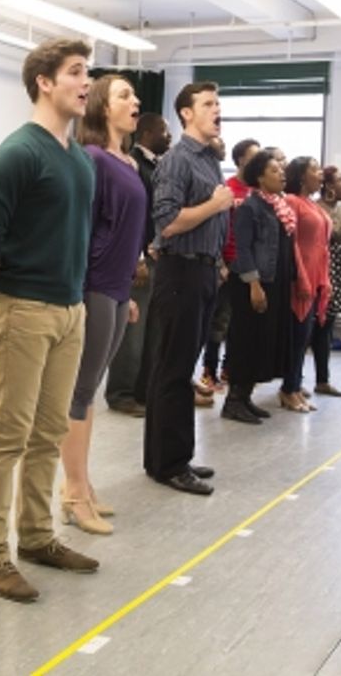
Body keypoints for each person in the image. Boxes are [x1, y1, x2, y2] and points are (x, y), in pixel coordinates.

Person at [0, 39, 98, 603]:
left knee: (48, 433)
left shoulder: (77, 158)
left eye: (87, 73)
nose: (85, 82)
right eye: (75, 72)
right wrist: (4, 299)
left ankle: (38, 535)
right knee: (9, 436)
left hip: (71, 311)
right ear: (44, 82)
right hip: (24, 308)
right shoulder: (19, 152)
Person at [60, 74, 147, 536]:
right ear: (101, 106)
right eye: (124, 96)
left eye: (133, 95)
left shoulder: (127, 161)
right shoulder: (92, 158)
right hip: (93, 286)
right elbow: (86, 228)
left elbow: (123, 233)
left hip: (115, 288)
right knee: (79, 391)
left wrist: (126, 292)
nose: (134, 102)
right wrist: (83, 291)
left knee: (89, 390)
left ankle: (83, 483)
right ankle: (73, 493)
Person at [146, 82, 230, 496]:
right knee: (174, 371)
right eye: (208, 104)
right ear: (185, 113)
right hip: (180, 273)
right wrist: (215, 206)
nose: (217, 110)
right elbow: (167, 222)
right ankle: (170, 465)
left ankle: (167, 456)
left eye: (218, 103)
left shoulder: (209, 159)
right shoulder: (178, 160)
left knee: (181, 369)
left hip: (202, 272)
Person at [104, 112, 171, 417]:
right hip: (137, 258)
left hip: (156, 255)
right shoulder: (133, 164)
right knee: (133, 331)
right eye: (163, 131)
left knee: (151, 331)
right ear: (145, 133)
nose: (168, 136)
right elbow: (133, 217)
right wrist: (138, 258)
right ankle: (121, 393)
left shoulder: (156, 164)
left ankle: (143, 390)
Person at [224, 148, 295, 423]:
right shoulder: (250, 207)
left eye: (281, 169)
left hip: (274, 284)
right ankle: (233, 401)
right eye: (275, 171)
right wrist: (253, 284)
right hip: (252, 285)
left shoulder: (276, 205)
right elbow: (242, 248)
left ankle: (245, 397)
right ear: (260, 178)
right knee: (246, 342)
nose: (282, 175)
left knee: (261, 343)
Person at [199, 138, 261, 397]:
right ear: (240, 160)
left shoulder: (257, 192)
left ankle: (229, 370)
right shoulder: (228, 188)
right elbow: (220, 228)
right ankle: (209, 371)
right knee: (218, 321)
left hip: (249, 267)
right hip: (226, 265)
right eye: (253, 156)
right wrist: (222, 263)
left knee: (239, 323)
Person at [280, 157, 331, 413]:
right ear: (301, 175)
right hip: (300, 277)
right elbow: (293, 244)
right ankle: (288, 389)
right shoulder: (291, 202)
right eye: (315, 169)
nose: (320, 173)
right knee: (296, 337)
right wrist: (301, 276)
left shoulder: (312, 203)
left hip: (316, 275)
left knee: (304, 336)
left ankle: (296, 386)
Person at [310, 165, 341, 397]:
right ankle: (294, 381)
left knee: (327, 329)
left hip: (340, 272)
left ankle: (322, 380)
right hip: (322, 273)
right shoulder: (316, 209)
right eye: (340, 179)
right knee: (314, 329)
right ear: (328, 186)